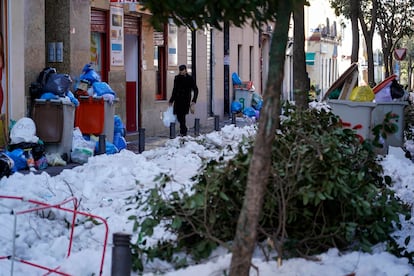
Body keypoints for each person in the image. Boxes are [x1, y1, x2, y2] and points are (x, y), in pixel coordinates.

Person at [169, 64, 198, 136]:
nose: (181, 72)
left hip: (186, 100)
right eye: (180, 71)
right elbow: (174, 89)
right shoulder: (177, 78)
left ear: (186, 70)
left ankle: (183, 132)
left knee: (182, 115)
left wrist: (194, 100)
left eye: (183, 70)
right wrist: (171, 100)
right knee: (179, 116)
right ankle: (184, 129)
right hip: (178, 100)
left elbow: (196, 89)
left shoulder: (190, 78)